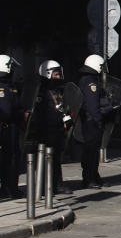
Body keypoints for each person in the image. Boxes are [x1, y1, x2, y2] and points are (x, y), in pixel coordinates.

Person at [33, 60, 73, 194]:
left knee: (56, 158)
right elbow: (40, 113)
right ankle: (46, 186)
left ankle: (56, 184)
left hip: (57, 129)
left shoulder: (55, 90)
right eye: (55, 74)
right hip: (48, 130)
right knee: (47, 158)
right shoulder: (42, 91)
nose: (58, 77)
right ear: (48, 73)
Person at [77, 55, 107, 189]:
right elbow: (93, 105)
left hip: (90, 120)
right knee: (90, 151)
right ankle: (88, 179)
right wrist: (99, 121)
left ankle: (94, 176)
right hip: (91, 122)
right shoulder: (91, 83)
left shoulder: (86, 80)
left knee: (94, 151)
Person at [0, 55, 25, 199]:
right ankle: (6, 188)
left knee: (14, 157)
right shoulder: (2, 87)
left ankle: (12, 187)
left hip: (13, 128)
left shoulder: (10, 86)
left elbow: (18, 105)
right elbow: (7, 111)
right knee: (7, 159)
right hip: (7, 129)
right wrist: (20, 115)